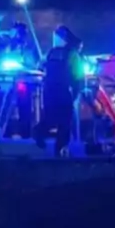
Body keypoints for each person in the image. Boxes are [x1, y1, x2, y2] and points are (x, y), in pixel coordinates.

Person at [35, 25, 84, 155]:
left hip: (48, 92)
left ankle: (39, 132)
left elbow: (41, 66)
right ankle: (60, 152)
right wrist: (76, 93)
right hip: (63, 92)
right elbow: (78, 76)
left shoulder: (51, 53)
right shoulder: (72, 55)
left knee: (51, 119)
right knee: (65, 123)